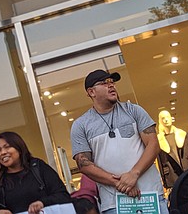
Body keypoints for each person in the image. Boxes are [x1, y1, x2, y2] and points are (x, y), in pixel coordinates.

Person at [71, 69, 167, 214]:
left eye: (112, 82)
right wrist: (120, 183)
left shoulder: (134, 111)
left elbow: (153, 144)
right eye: (104, 83)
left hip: (150, 195)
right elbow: (83, 164)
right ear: (91, 92)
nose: (111, 85)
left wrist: (134, 174)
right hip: (114, 203)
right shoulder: (81, 125)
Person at [0, 131, 73, 214]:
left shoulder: (38, 167)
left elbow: (63, 196)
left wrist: (42, 203)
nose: (3, 152)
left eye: (7, 147)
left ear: (19, 148)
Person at [156, 110, 188, 189]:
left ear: (171, 118)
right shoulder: (159, 140)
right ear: (160, 121)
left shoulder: (183, 134)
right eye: (163, 118)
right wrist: (164, 180)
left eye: (167, 117)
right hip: (173, 177)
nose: (166, 120)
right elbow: (160, 162)